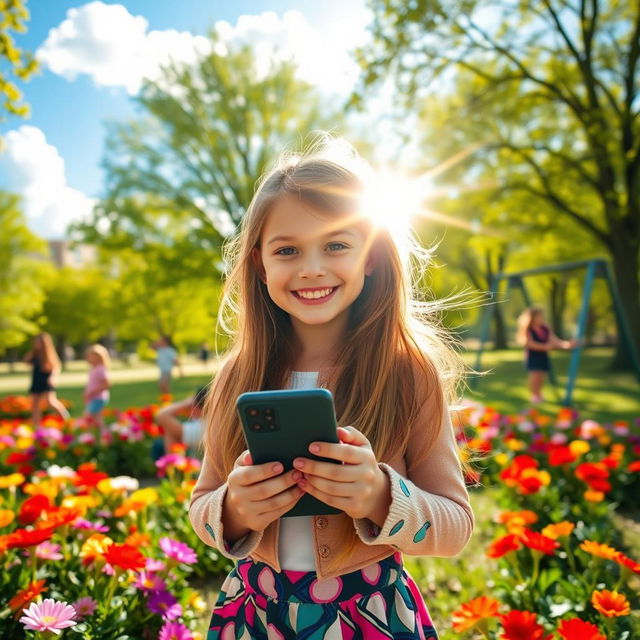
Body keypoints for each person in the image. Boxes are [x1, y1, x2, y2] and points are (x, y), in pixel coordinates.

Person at [189, 137, 474, 639]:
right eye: (287, 250)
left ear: (370, 256)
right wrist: (233, 510)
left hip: (369, 616)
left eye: (337, 244)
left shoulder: (408, 374)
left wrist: (381, 495)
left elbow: (455, 528)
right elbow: (202, 507)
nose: (312, 267)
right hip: (255, 612)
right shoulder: (237, 376)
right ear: (260, 264)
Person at [517, 306, 577, 404]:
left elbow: (554, 340)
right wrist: (544, 347)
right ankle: (534, 395)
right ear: (533, 317)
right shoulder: (529, 329)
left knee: (541, 377)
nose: (541, 318)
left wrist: (567, 345)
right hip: (533, 356)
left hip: (543, 356)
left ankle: (539, 394)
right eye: (539, 316)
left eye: (542, 316)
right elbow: (529, 343)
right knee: (535, 376)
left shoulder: (545, 328)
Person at [23, 333, 70, 426]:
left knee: (50, 401)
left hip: (46, 379)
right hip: (37, 379)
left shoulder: (49, 353)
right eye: (36, 342)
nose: (37, 344)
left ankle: (66, 418)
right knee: (35, 404)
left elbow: (56, 367)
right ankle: (36, 424)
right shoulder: (35, 354)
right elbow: (26, 361)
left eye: (39, 342)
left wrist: (53, 377)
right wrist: (33, 351)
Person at [155, 386, 208, 457]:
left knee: (162, 440)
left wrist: (185, 403)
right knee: (169, 432)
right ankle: (172, 465)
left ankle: (171, 465)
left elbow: (161, 415)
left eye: (192, 405)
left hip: (197, 466)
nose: (190, 408)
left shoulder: (202, 427)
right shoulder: (206, 422)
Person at [83, 344, 111, 431]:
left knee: (88, 417)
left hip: (98, 398)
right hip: (94, 398)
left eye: (91, 356)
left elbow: (107, 384)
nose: (89, 359)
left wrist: (92, 392)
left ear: (99, 357)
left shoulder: (100, 369)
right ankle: (101, 435)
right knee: (98, 419)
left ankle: (92, 435)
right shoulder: (94, 369)